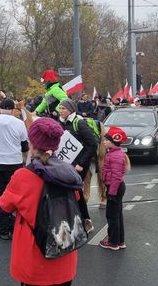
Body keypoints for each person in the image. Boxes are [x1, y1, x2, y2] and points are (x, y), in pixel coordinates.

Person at [0, 117, 80, 286]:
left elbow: (3, 207)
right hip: (64, 255)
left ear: (32, 143)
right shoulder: (69, 172)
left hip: (35, 260)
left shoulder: (23, 176)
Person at [0, 98, 29, 240]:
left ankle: (3, 230)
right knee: (15, 196)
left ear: (0, 108)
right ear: (12, 109)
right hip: (14, 164)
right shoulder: (19, 123)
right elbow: (25, 147)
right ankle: (15, 227)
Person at [58, 99, 97, 233]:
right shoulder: (61, 123)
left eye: (63, 108)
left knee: (76, 191)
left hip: (79, 166)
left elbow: (92, 144)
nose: (60, 110)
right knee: (67, 191)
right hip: (66, 165)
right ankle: (72, 219)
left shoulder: (79, 123)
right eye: (60, 108)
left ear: (70, 110)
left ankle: (86, 221)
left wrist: (81, 163)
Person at [100, 126, 130, 251]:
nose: (104, 142)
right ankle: (120, 241)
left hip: (115, 188)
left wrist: (111, 193)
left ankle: (113, 242)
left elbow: (116, 177)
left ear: (113, 141)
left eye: (106, 140)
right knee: (117, 215)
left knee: (112, 216)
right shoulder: (114, 153)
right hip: (116, 187)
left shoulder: (115, 156)